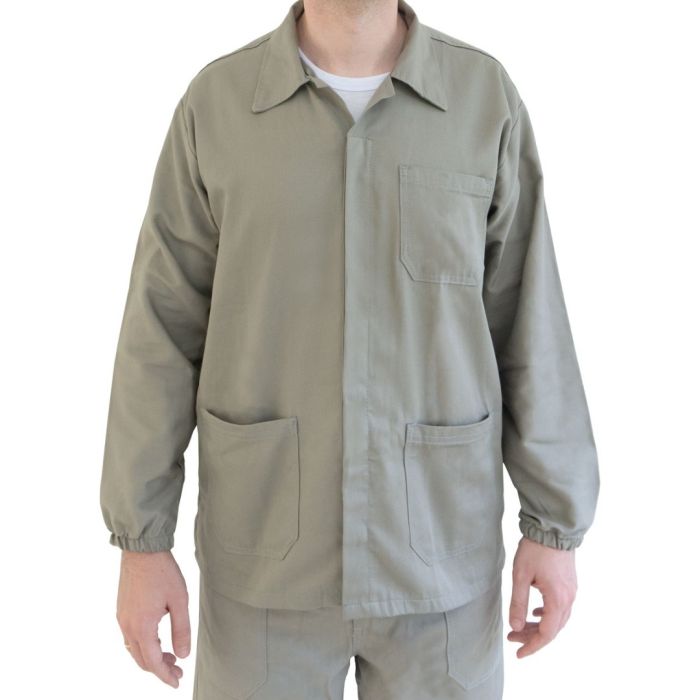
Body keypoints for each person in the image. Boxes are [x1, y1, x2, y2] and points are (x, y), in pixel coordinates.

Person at [100, 0, 601, 697]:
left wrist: (553, 525)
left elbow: (529, 320)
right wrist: (142, 542)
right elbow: (160, 332)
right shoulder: (217, 106)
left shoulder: (482, 99)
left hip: (439, 559)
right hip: (265, 562)